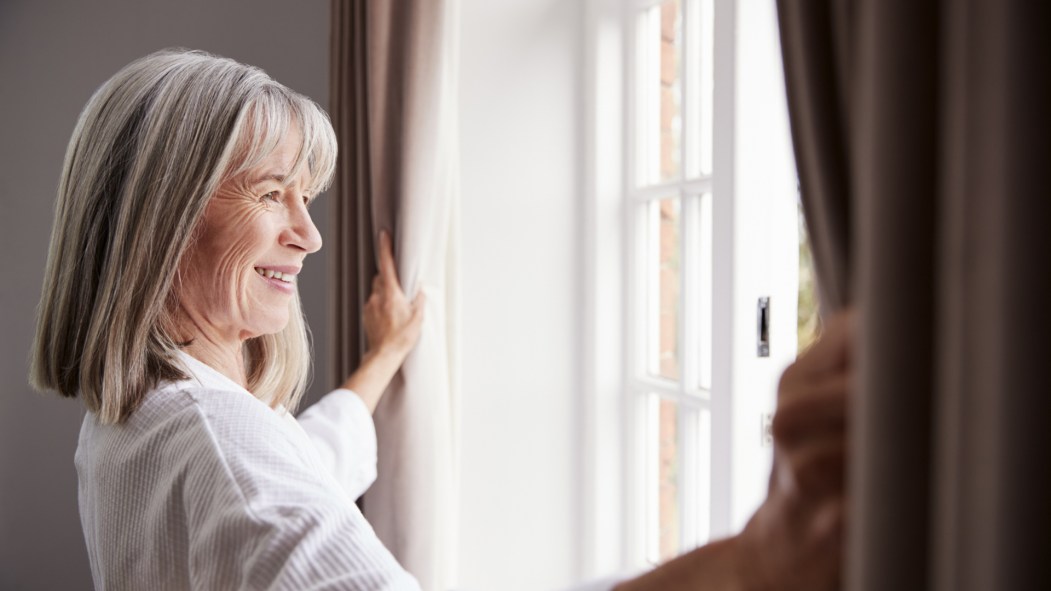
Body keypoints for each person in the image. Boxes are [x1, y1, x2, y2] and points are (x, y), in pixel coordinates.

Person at [31, 49, 850, 591]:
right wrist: (761, 556)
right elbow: (261, 481)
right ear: (162, 219)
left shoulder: (137, 415)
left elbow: (303, 463)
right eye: (269, 190)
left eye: (305, 198)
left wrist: (384, 354)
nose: (309, 233)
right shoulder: (221, 451)